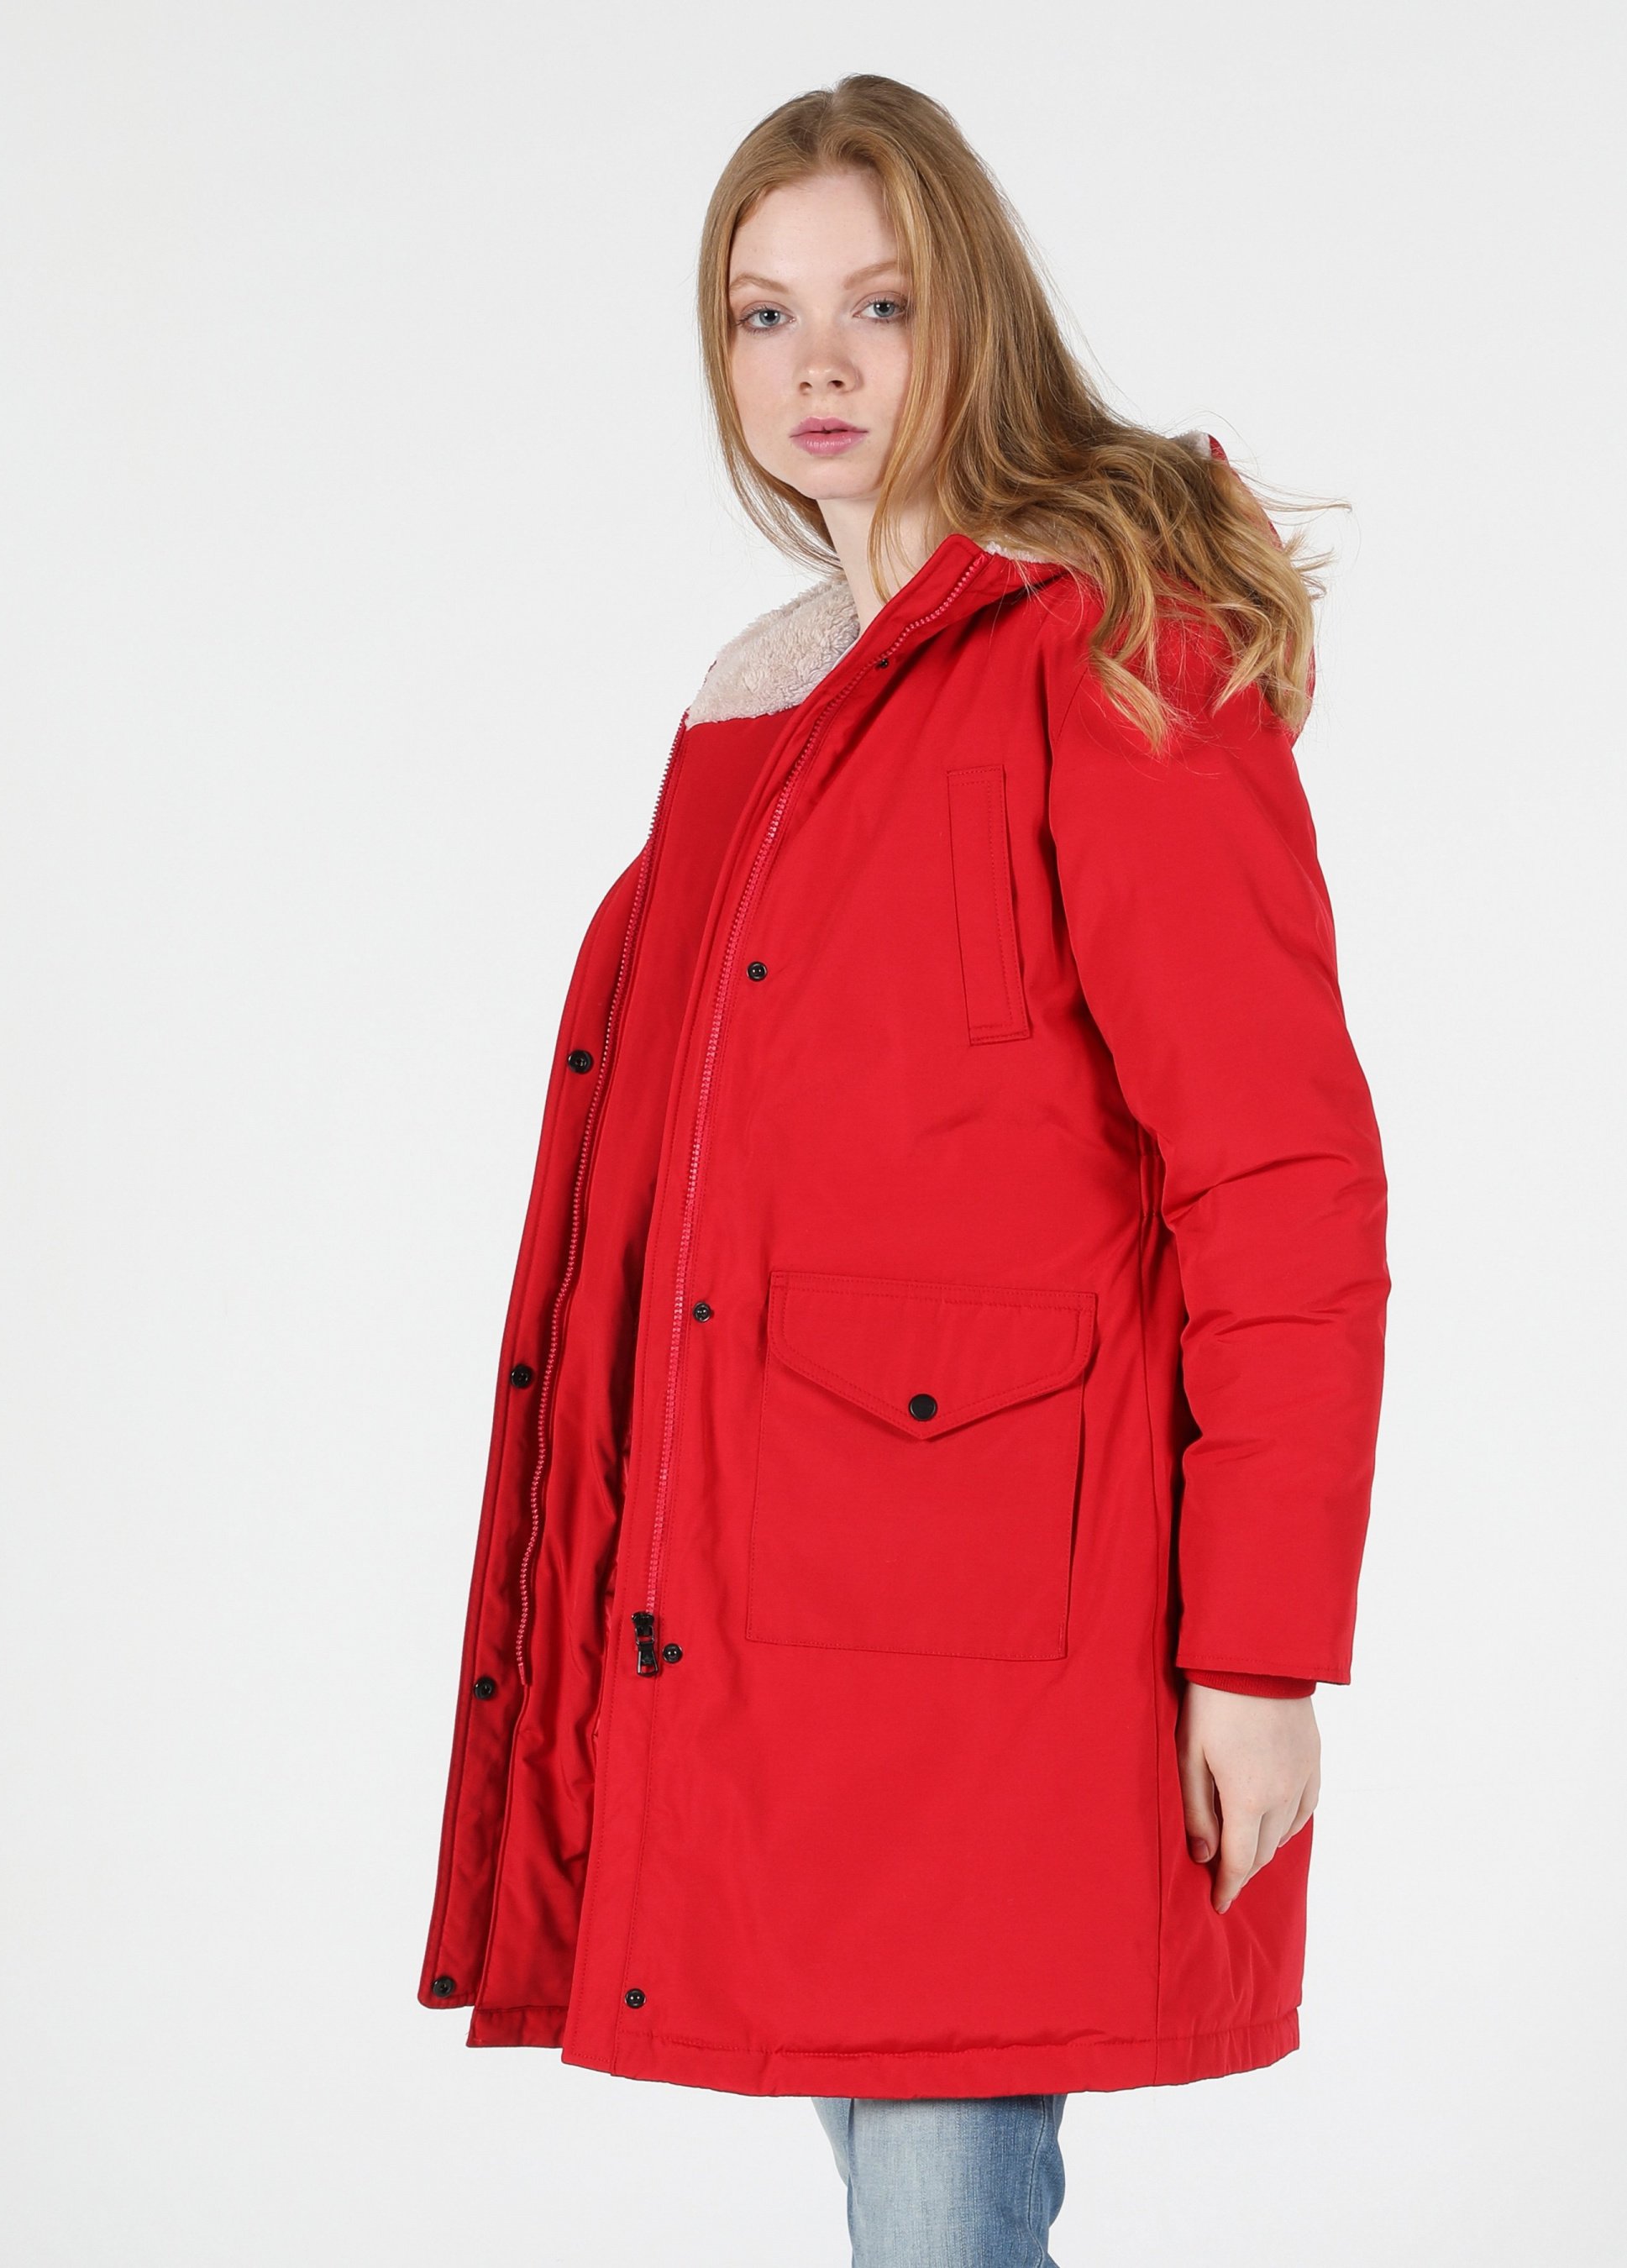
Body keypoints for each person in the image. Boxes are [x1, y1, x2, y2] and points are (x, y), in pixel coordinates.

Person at [417, 74, 1390, 2266]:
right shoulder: (765, 711)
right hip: (787, 1616)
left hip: (1003, 1632)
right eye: (762, 314)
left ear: (979, 314)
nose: (819, 365)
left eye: (878, 302)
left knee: (941, 2212)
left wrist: (1260, 1651)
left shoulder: (1104, 638)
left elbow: (1281, 1171)